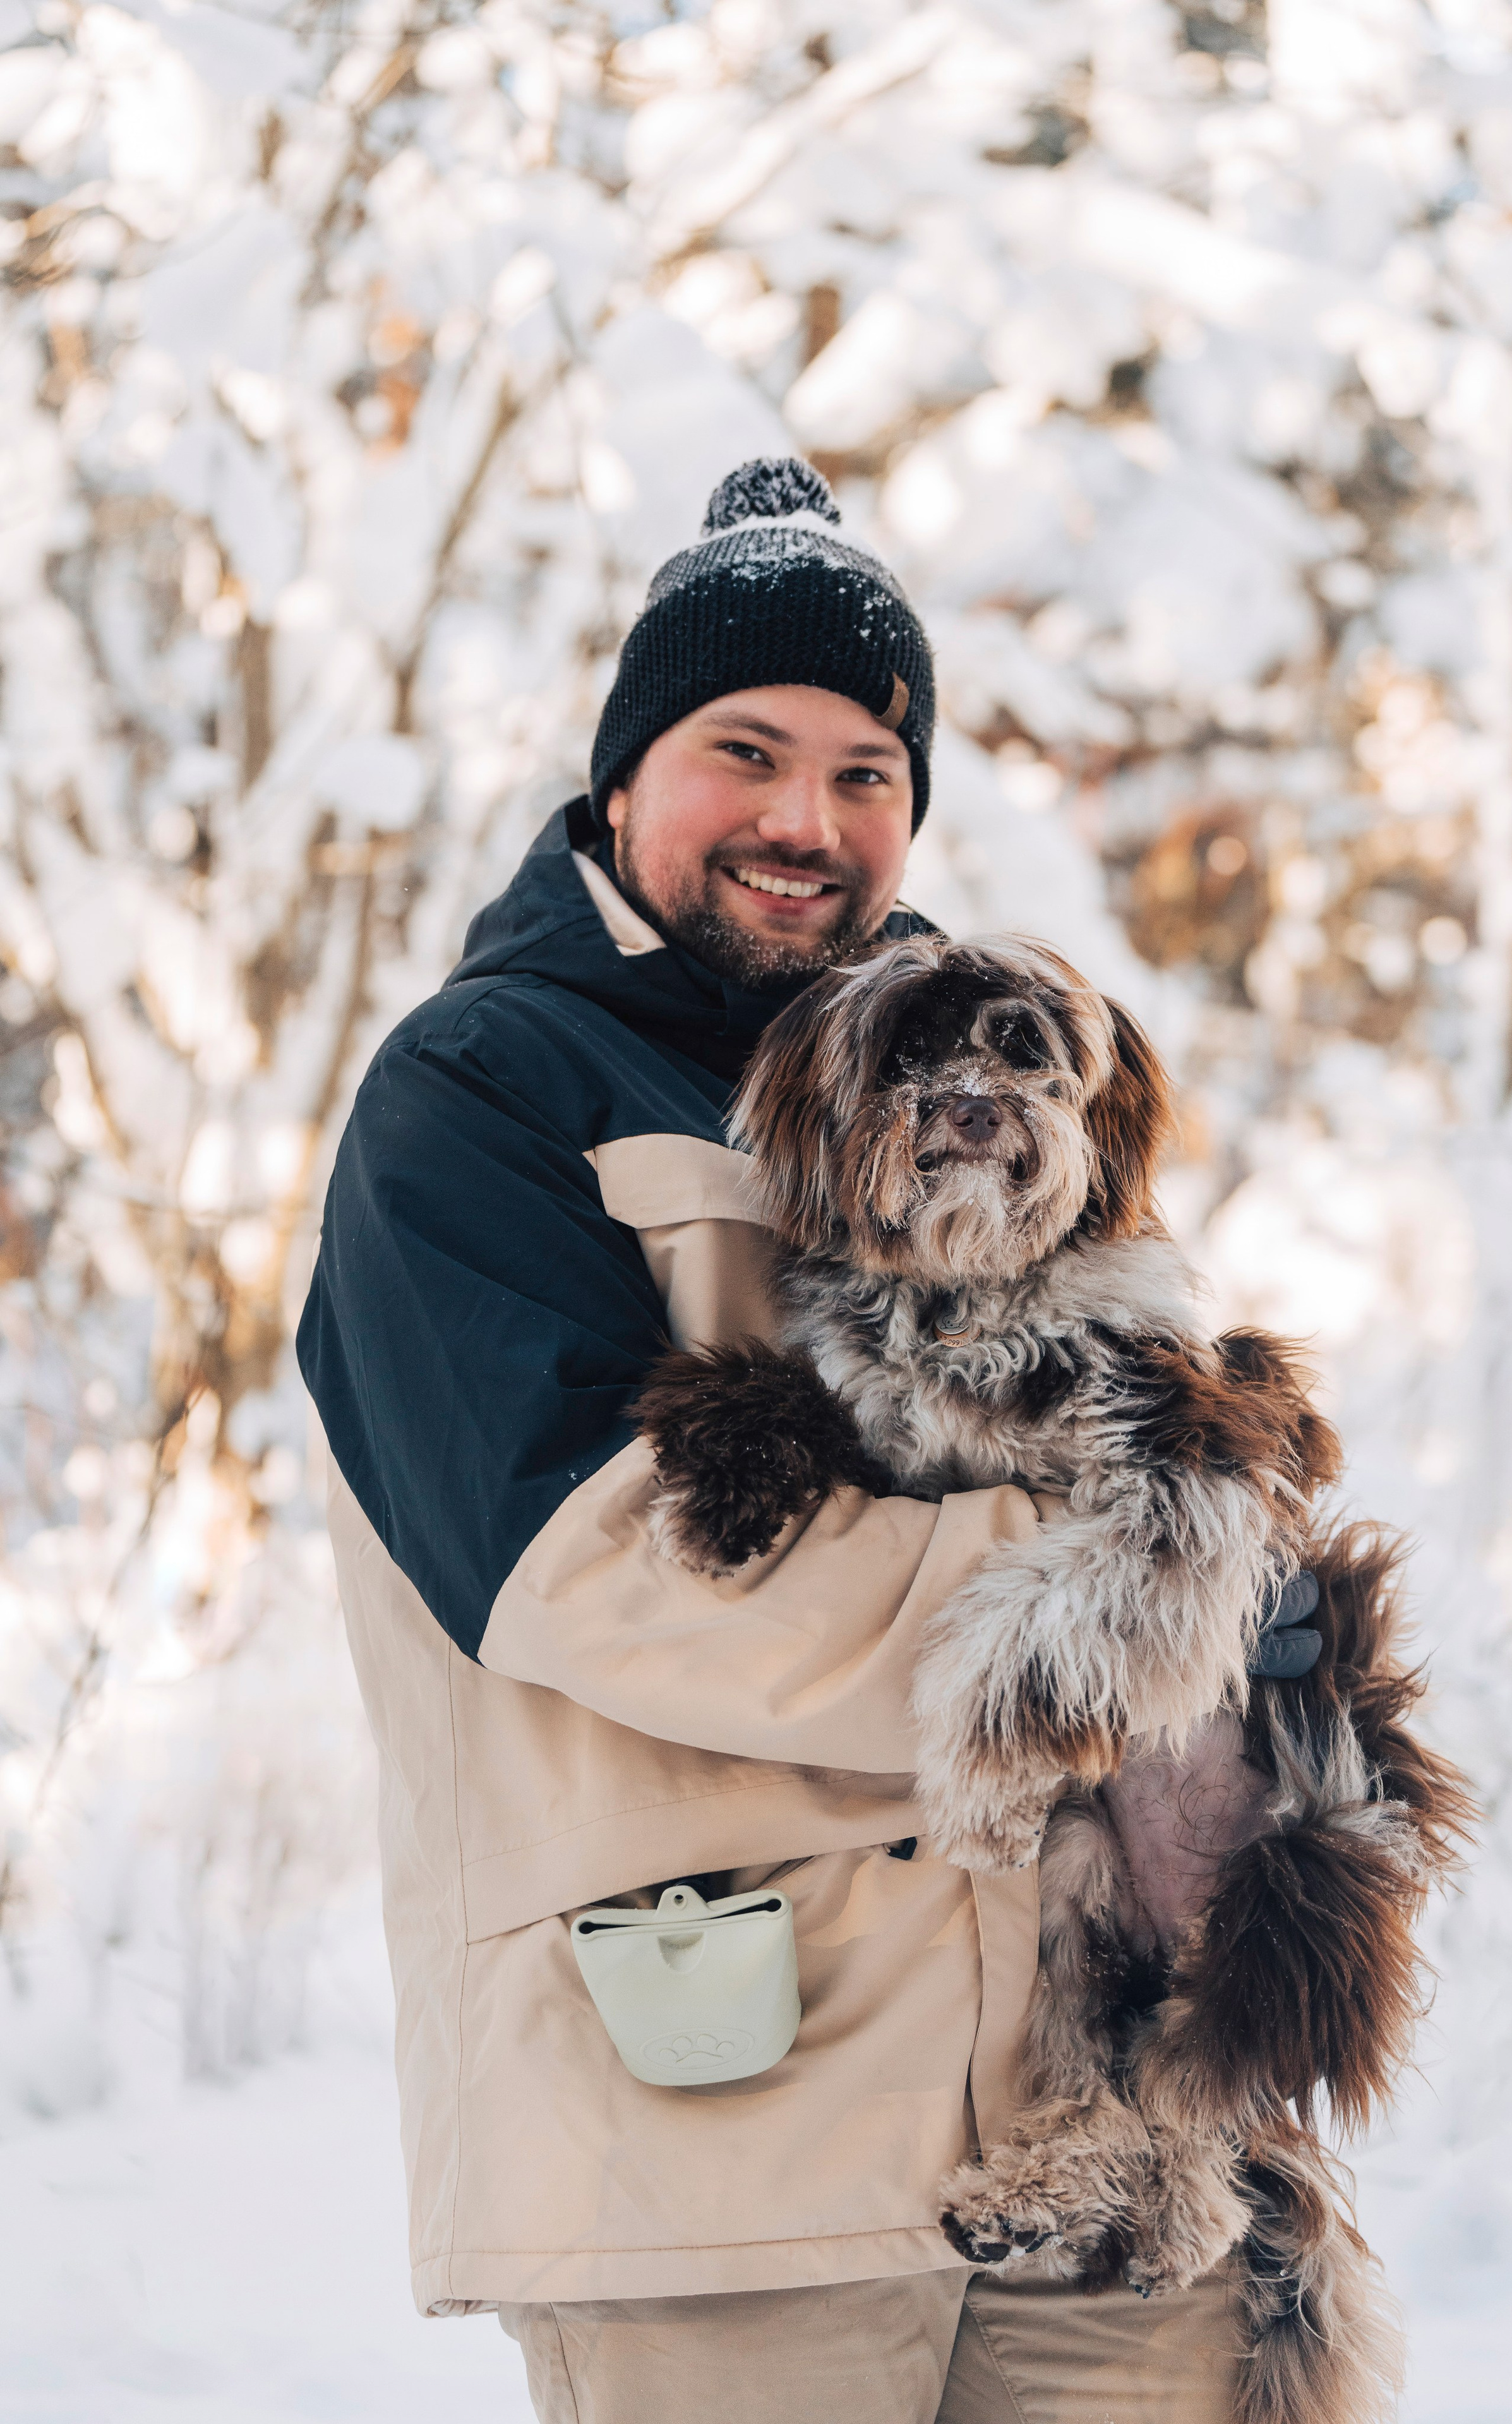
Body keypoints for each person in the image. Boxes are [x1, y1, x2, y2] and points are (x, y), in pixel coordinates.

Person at [297, 460, 1269, 2423]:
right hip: (720, 2138)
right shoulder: (480, 1093)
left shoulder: (990, 1070)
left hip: (1095, 2122)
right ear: (627, 770)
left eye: (865, 775)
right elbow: (602, 1575)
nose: (805, 823)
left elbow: (1172, 1444)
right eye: (746, 750)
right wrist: (1135, 1627)